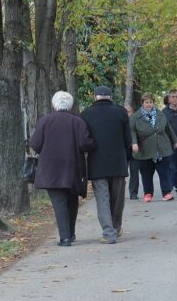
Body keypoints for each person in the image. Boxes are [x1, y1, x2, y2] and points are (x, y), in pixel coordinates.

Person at [30, 91, 94, 247]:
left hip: (51, 169)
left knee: (59, 202)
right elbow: (85, 144)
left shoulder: (45, 121)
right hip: (73, 167)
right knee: (72, 201)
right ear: (70, 105)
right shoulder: (77, 121)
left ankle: (65, 237)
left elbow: (35, 144)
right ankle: (70, 234)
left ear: (54, 105)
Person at [80, 85, 131, 244]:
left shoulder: (86, 114)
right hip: (118, 163)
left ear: (95, 97)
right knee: (117, 199)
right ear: (110, 97)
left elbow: (84, 142)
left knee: (102, 198)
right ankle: (116, 228)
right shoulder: (121, 112)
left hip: (97, 163)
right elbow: (128, 140)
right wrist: (126, 160)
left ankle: (109, 233)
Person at [130, 93, 177, 203]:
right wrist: (134, 143)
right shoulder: (135, 117)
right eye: (146, 102)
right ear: (142, 103)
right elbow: (131, 131)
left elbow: (168, 128)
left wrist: (174, 140)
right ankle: (148, 193)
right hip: (145, 149)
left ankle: (166, 193)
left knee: (164, 172)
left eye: (151, 102)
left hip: (162, 148)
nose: (149, 104)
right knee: (146, 173)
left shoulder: (160, 114)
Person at [125, 105, 141, 200]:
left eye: (129, 111)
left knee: (134, 172)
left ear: (133, 112)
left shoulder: (137, 122)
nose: (127, 113)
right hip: (123, 151)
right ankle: (119, 193)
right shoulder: (120, 122)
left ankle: (133, 193)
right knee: (122, 174)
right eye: (125, 111)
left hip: (135, 150)